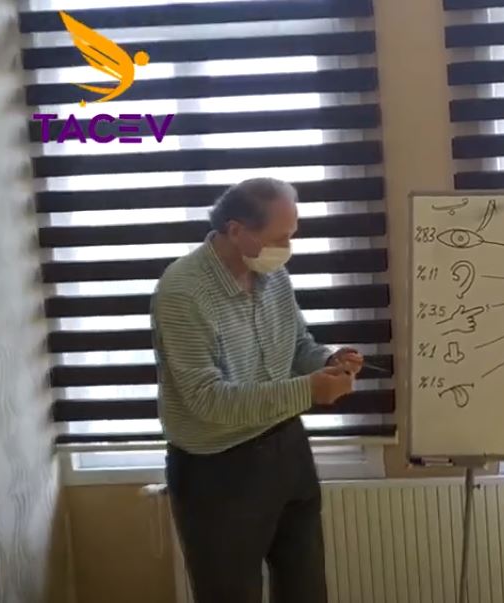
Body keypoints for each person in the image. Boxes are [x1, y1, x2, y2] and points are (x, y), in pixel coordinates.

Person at [152, 177, 363, 602]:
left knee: (306, 589)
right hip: (218, 467)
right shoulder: (182, 292)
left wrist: (328, 360)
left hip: (287, 448)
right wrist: (309, 391)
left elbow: (298, 345)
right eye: (279, 238)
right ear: (236, 230)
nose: (287, 248)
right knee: (230, 594)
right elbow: (207, 399)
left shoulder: (272, 274)